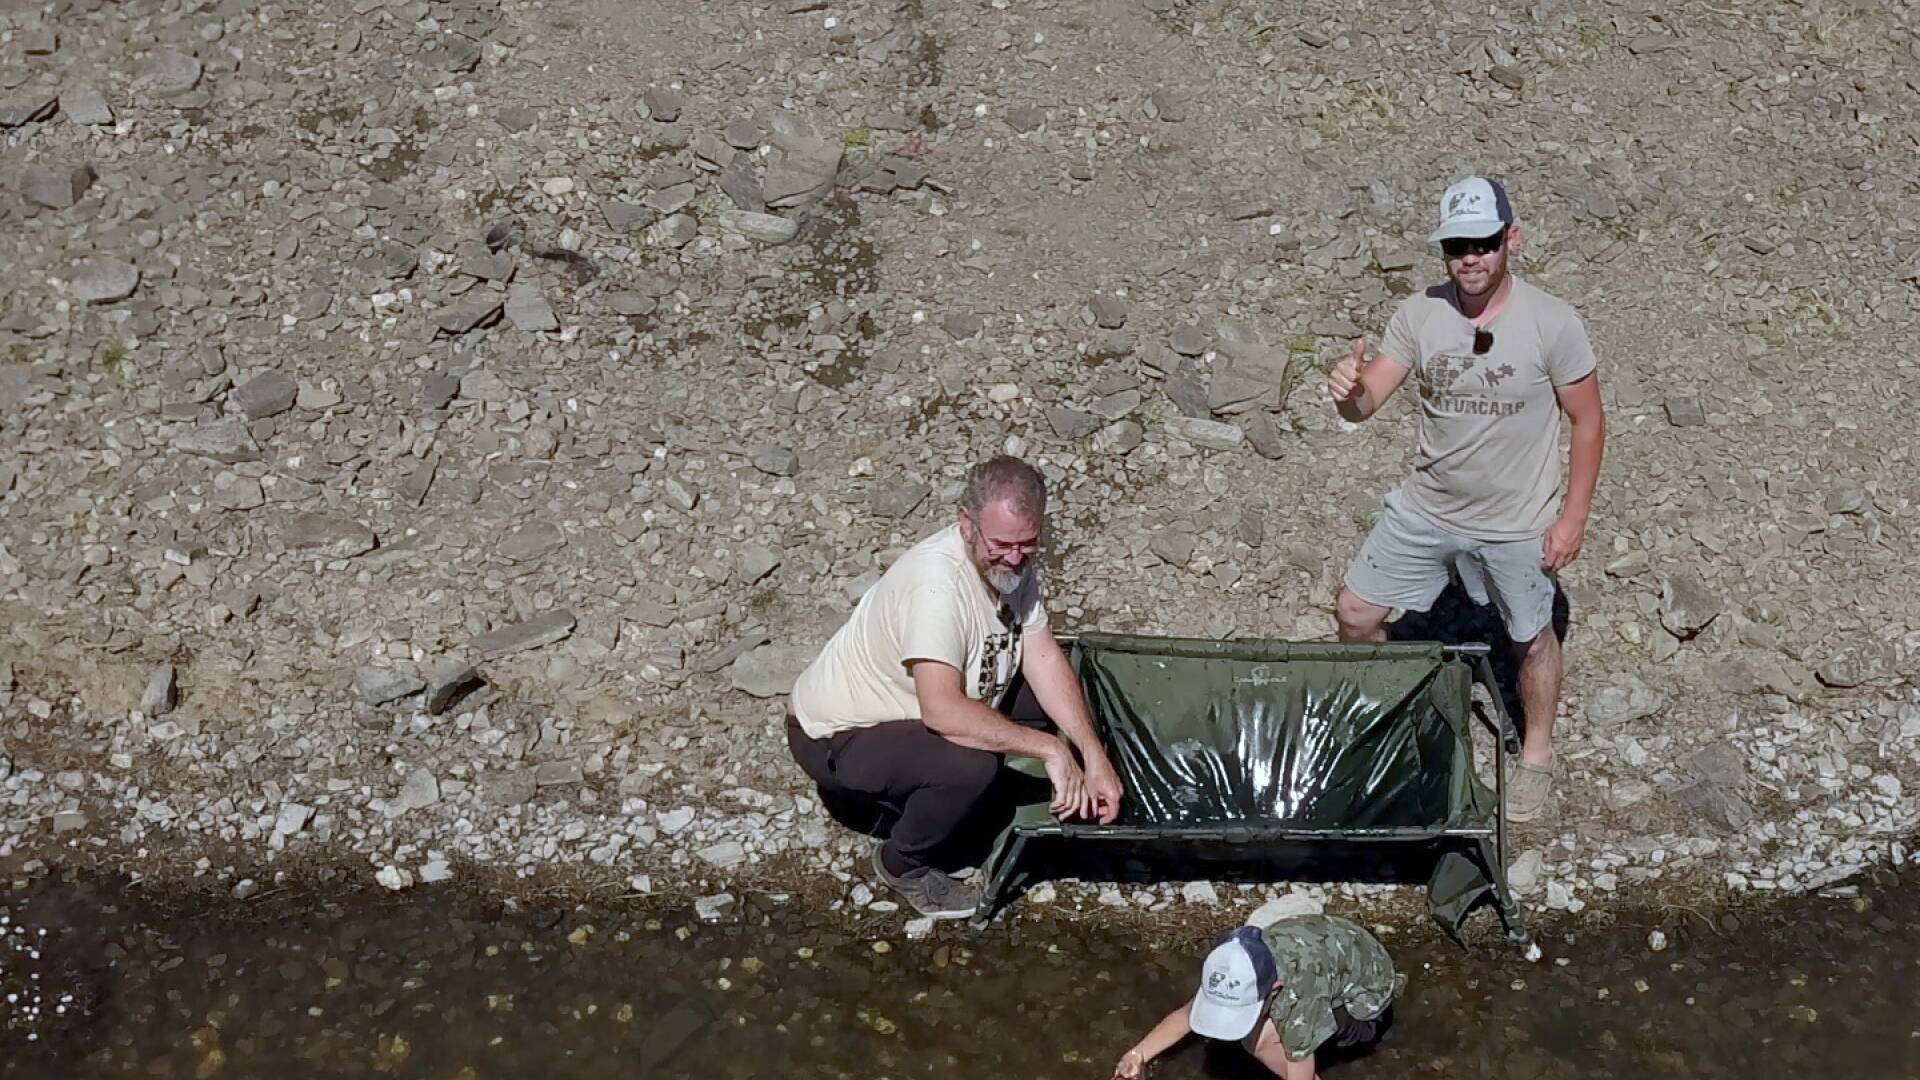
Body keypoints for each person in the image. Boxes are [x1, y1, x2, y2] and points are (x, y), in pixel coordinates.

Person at [1326, 175, 1607, 823]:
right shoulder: (1420, 314)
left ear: (1511, 238)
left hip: (1516, 520)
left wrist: (1573, 517)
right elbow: (1367, 403)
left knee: (1530, 638)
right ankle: (1380, 720)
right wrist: (1345, 388)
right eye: (1457, 246)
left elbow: (1588, 420)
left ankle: (1536, 753)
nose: (1470, 258)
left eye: (1483, 242)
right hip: (1427, 508)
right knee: (1356, 611)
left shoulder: (1553, 323)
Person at [786, 455, 1125, 919]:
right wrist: (1052, 751)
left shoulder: (1013, 567)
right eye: (1002, 544)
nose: (1014, 557)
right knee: (969, 765)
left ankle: (954, 807)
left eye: (1028, 544)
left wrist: (1093, 754)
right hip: (837, 735)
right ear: (965, 522)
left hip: (921, 712)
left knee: (1053, 696)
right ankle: (901, 863)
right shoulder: (936, 589)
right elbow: (943, 712)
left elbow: (1043, 655)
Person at [1113, 913, 1405, 1080]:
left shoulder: (1296, 996)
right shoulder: (1236, 963)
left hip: (1366, 1002)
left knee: (1258, 1041)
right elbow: (1185, 1016)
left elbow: (1299, 1072)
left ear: (1274, 986)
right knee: (1253, 1033)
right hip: (1333, 949)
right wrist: (1137, 1055)